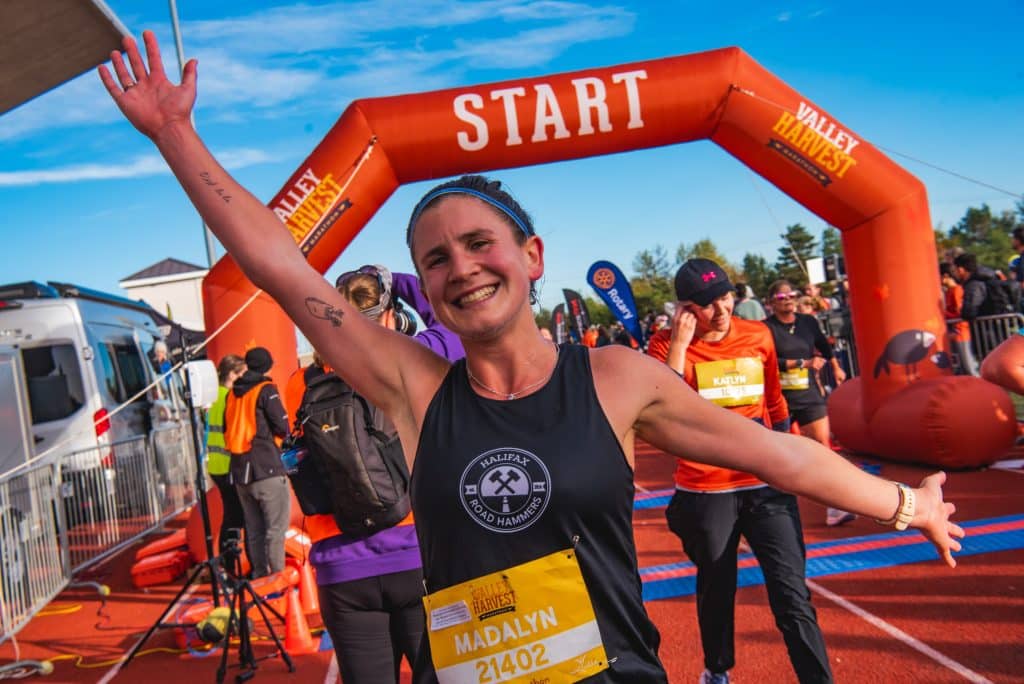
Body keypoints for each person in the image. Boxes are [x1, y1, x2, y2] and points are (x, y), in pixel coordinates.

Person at [100, 33, 964, 683]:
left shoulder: (617, 379)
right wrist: (176, 135)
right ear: (425, 287)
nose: (462, 268)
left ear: (533, 256)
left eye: (480, 244)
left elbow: (778, 452)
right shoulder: (414, 386)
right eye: (436, 259)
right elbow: (284, 270)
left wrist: (905, 503)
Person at [647, 261, 835, 683]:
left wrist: (783, 455)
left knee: (792, 595)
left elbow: (775, 403)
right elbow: (662, 410)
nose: (721, 309)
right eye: (707, 304)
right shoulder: (662, 346)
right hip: (705, 489)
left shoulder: (758, 336)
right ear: (684, 309)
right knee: (717, 585)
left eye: (726, 297)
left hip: (765, 483)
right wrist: (678, 345)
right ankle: (717, 671)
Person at [284, 267, 464, 683]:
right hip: (421, 555)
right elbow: (448, 321)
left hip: (340, 570)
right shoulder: (410, 364)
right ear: (388, 318)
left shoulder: (301, 384)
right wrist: (396, 280)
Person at [764, 279, 853, 528]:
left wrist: (835, 367)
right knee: (774, 456)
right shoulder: (765, 329)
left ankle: (835, 506)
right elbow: (768, 361)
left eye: (791, 294)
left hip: (808, 394)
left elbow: (824, 348)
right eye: (781, 297)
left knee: (823, 447)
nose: (788, 299)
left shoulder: (807, 322)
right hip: (778, 397)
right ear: (771, 304)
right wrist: (801, 363)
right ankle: (770, 514)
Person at [225, 346, 291, 578]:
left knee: (254, 530)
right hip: (266, 467)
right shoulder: (266, 390)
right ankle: (278, 581)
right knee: (276, 529)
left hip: (240, 471)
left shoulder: (232, 394)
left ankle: (260, 577)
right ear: (268, 365)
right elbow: (282, 427)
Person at [205, 354, 249, 556]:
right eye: (242, 374)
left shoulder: (214, 397)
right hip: (228, 464)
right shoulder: (228, 398)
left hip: (216, 465)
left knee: (232, 515)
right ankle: (230, 562)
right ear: (233, 374)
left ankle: (228, 561)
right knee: (237, 516)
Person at [940, 262, 979, 376]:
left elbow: (959, 312)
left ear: (946, 276)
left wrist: (942, 314)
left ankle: (987, 391)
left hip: (961, 332)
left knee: (969, 367)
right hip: (954, 332)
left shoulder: (957, 290)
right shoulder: (949, 291)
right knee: (961, 369)